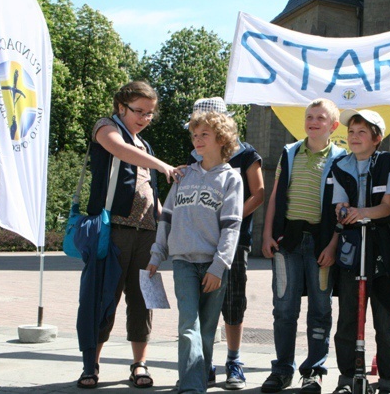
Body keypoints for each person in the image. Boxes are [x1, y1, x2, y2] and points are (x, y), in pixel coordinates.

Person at [76, 81, 183, 389]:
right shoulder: (106, 128)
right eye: (139, 111)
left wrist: (165, 219)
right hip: (113, 230)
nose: (145, 118)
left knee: (143, 301)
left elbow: (149, 188)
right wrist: (163, 165)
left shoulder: (145, 145)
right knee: (102, 298)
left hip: (147, 233)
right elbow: (120, 150)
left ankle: (139, 364)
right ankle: (90, 365)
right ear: (121, 107)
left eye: (150, 114)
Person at [147, 110, 244, 394]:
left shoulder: (231, 180)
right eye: (194, 134)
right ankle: (191, 387)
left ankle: (195, 379)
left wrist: (219, 266)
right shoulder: (184, 175)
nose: (198, 140)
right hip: (183, 263)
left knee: (206, 330)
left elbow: (232, 227)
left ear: (221, 138)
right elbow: (166, 217)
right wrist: (156, 255)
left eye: (205, 134)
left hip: (214, 265)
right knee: (188, 324)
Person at [261, 98, 346, 394]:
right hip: (288, 243)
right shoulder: (289, 152)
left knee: (320, 310)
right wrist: (267, 233)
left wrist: (334, 245)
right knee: (284, 308)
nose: (314, 121)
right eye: (310, 116)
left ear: (333, 126)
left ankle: (314, 372)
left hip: (322, 244)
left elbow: (343, 208)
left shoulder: (341, 158)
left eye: (321, 118)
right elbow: (274, 197)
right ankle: (282, 369)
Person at [185, 97, 264, 390]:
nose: (199, 134)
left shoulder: (246, 154)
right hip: (198, 243)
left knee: (232, 303)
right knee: (201, 305)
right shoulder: (196, 153)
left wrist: (229, 217)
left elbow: (259, 193)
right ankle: (203, 363)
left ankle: (234, 360)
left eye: (206, 127)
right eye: (196, 128)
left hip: (234, 241)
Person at [330, 109, 390, 394]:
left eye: (362, 132)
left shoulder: (386, 161)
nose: (354, 137)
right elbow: (339, 206)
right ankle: (347, 377)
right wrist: (344, 211)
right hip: (352, 248)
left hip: (383, 249)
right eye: (351, 132)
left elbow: (386, 207)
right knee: (348, 317)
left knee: (387, 319)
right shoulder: (340, 165)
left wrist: (360, 212)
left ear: (377, 138)